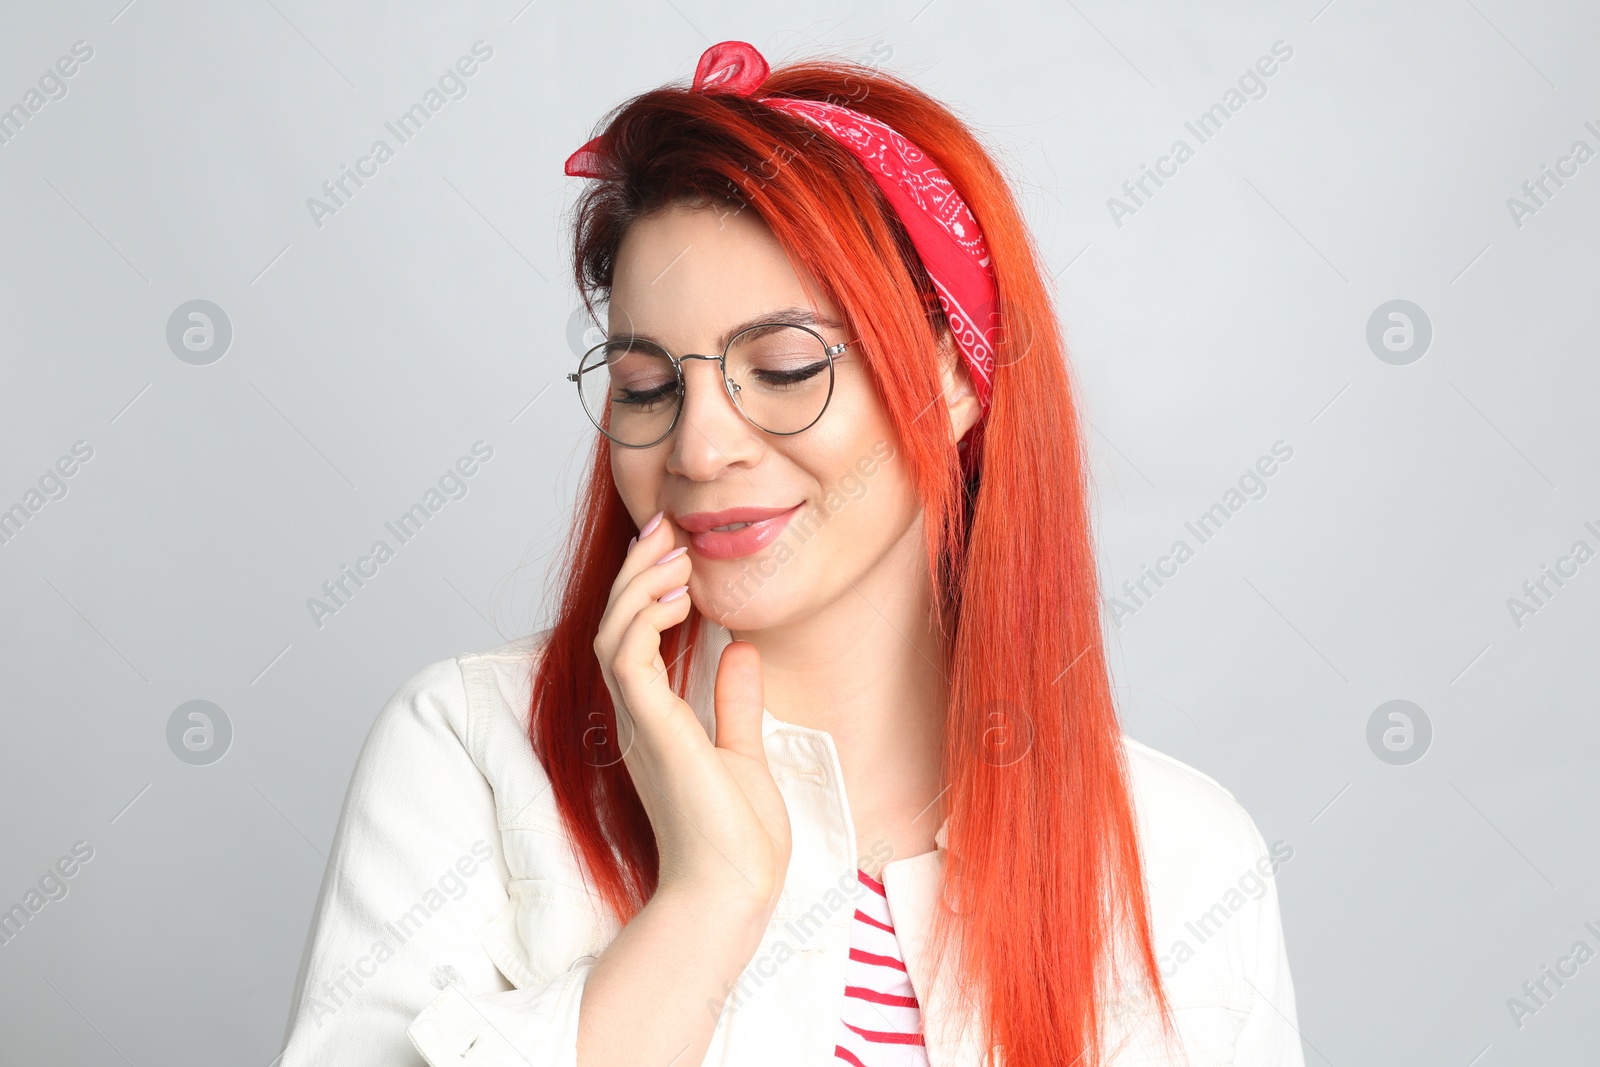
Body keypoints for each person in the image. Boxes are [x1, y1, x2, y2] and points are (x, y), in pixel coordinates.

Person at [278, 39, 1304, 1067]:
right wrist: (705, 903)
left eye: (780, 367)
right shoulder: (471, 750)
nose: (698, 446)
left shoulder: (1184, 861)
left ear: (954, 380)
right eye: (645, 385)